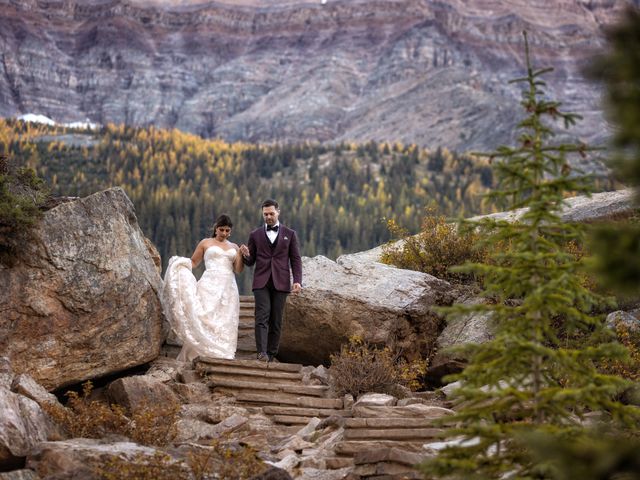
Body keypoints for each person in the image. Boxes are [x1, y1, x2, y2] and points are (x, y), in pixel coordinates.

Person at [161, 214, 244, 362]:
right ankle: (198, 351)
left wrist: (241, 255)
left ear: (230, 231)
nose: (224, 233)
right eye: (221, 229)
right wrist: (180, 264)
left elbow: (238, 270)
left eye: (227, 230)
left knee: (225, 318)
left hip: (228, 286)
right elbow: (194, 262)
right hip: (209, 283)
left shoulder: (234, 247)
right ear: (216, 228)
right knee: (204, 314)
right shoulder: (205, 243)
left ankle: (223, 352)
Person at [239, 199, 302, 362]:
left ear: (278, 212)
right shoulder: (255, 235)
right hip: (261, 281)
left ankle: (272, 353)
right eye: (265, 214)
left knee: (276, 320)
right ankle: (262, 353)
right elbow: (251, 261)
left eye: (271, 214)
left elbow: (295, 259)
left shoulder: (290, 234)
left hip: (281, 282)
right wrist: (246, 255)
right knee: (262, 316)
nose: (268, 217)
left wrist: (297, 281)